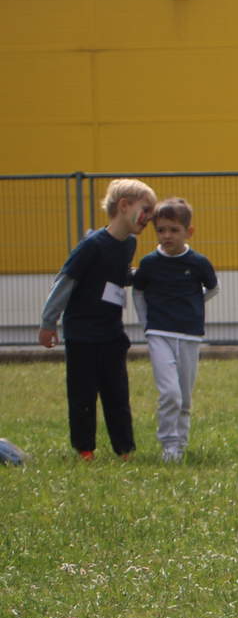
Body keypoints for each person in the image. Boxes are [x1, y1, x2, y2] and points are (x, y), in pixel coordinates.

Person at [39, 178, 157, 460]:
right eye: (146, 210)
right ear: (124, 206)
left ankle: (124, 450)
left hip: (112, 334)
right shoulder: (92, 246)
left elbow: (117, 276)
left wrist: (142, 275)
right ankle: (85, 449)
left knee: (117, 394)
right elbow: (65, 283)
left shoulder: (129, 244)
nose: (149, 218)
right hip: (82, 335)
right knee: (82, 395)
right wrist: (48, 322)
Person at [130, 197, 219, 464]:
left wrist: (191, 306)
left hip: (189, 336)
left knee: (184, 396)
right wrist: (146, 324)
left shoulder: (198, 263)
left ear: (188, 232)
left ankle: (180, 444)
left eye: (174, 230)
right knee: (169, 393)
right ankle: (168, 444)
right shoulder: (149, 263)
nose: (167, 235)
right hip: (159, 334)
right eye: (161, 230)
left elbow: (212, 288)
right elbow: (138, 291)